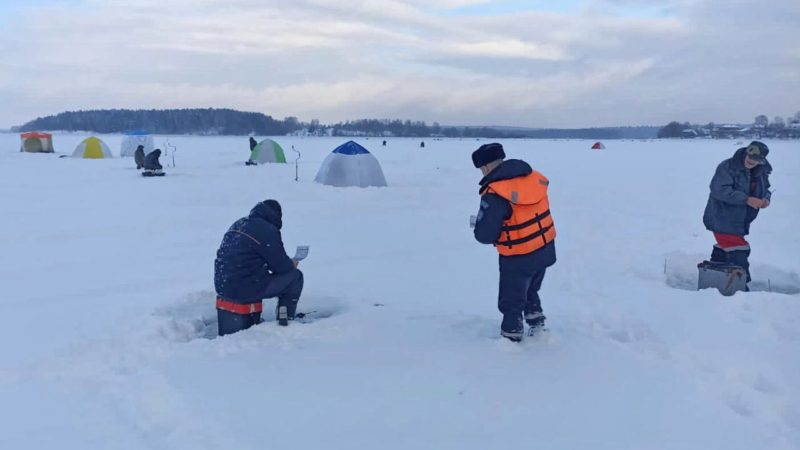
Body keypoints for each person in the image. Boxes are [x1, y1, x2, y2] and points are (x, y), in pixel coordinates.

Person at [472, 143, 556, 342]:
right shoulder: (532, 177)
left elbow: (485, 235)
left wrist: (479, 224)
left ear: (485, 167)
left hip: (518, 256)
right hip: (544, 248)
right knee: (531, 288)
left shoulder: (495, 193)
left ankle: (511, 335)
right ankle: (536, 320)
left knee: (512, 299)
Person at [214, 200, 304, 336]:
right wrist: (291, 263)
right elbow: (281, 267)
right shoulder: (267, 230)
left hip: (223, 286)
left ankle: (252, 317)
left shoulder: (239, 224)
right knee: (295, 277)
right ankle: (285, 320)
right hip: (246, 288)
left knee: (253, 277)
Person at [703, 141, 772, 286]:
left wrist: (765, 199)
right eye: (750, 156)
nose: (752, 161)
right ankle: (741, 285)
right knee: (739, 249)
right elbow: (719, 190)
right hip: (720, 218)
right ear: (746, 152)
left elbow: (766, 188)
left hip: (740, 221)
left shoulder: (761, 170)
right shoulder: (727, 167)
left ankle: (713, 279)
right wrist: (747, 199)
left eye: (756, 159)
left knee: (725, 248)